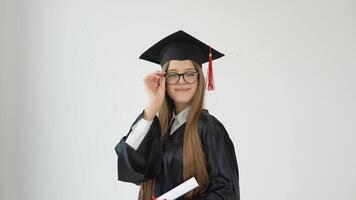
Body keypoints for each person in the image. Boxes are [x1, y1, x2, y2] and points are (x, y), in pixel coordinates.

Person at [115, 30, 240, 200]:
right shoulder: (157, 129)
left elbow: (227, 193)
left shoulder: (211, 129)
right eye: (173, 75)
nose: (181, 81)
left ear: (199, 79)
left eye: (189, 73)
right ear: (164, 79)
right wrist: (152, 106)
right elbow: (130, 166)